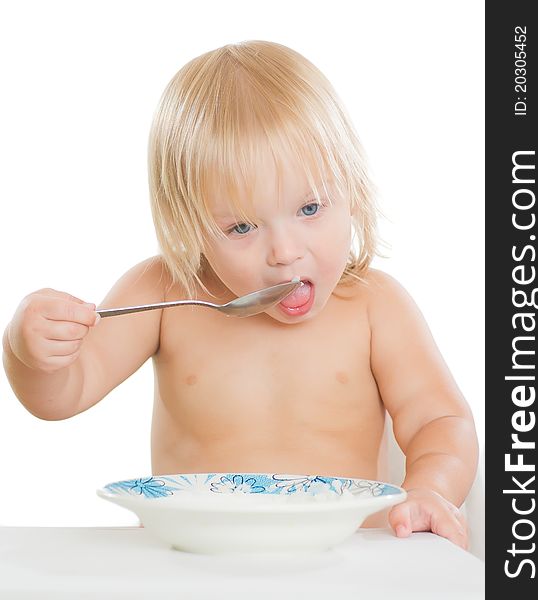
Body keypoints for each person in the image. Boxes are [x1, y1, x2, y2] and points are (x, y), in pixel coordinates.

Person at [2, 40, 478, 548]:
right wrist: (28, 350)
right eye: (242, 227)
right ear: (188, 222)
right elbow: (64, 394)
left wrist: (429, 487)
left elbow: (440, 420)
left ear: (353, 193)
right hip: (191, 562)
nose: (284, 252)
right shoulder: (166, 294)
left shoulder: (374, 307)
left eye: (310, 209)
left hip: (342, 564)